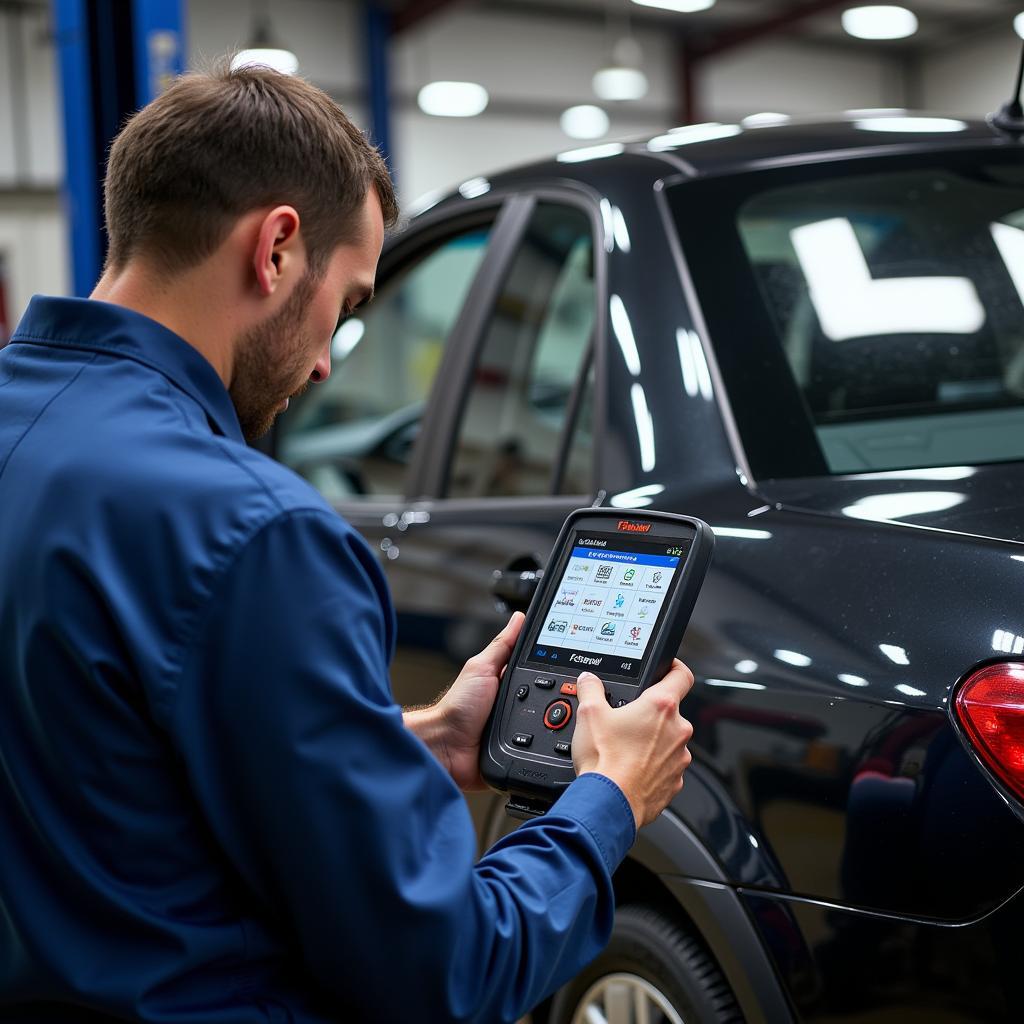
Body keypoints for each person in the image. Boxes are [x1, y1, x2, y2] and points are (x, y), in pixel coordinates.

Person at [0, 66, 694, 1023]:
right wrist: (607, 800)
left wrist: (421, 740)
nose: (326, 360)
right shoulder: (257, 532)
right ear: (277, 248)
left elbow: (104, 760)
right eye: (348, 304)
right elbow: (446, 971)